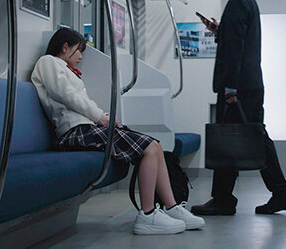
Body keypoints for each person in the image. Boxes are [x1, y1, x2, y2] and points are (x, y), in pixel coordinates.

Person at [31, 27, 205, 235]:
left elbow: (79, 101)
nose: (81, 57)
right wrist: (100, 117)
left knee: (155, 146)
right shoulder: (48, 62)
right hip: (74, 132)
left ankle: (171, 206)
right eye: (79, 50)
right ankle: (147, 214)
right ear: (65, 47)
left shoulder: (66, 70)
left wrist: (103, 118)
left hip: (86, 128)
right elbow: (66, 95)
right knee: (149, 148)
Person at [192, 0, 286, 216]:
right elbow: (236, 41)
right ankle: (229, 197)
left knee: (249, 137)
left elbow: (235, 50)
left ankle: (276, 193)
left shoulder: (238, 1)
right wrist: (220, 31)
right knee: (240, 137)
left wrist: (230, 88)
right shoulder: (243, 0)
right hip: (246, 85)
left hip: (238, 87)